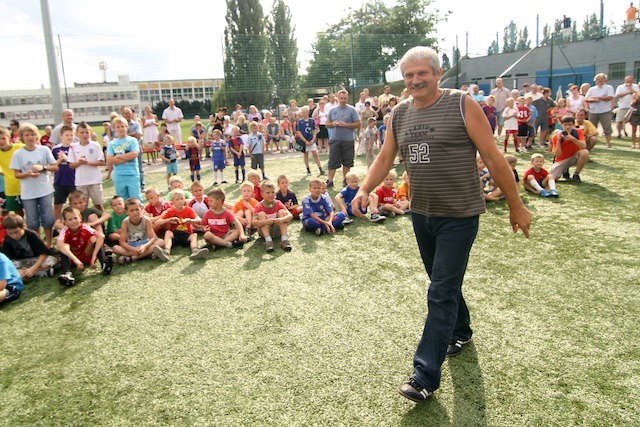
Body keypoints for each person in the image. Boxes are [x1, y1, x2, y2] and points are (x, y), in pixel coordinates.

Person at [352, 46, 530, 402]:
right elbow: (386, 156)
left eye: (423, 74)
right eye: (409, 76)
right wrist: (365, 188)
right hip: (422, 213)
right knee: (442, 284)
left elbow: (493, 157)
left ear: (437, 74)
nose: (416, 80)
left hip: (460, 216)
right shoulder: (399, 114)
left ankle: (424, 376)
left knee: (439, 292)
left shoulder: (462, 104)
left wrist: (516, 204)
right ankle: (461, 330)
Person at [10, 123, 58, 247]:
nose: (30, 137)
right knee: (32, 222)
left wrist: (43, 168)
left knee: (48, 219)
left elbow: (55, 167)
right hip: (28, 193)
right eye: (27, 135)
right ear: (22, 137)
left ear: (36, 136)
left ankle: (48, 244)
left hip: (45, 190)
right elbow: (16, 174)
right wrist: (28, 174)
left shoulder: (44, 150)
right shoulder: (18, 154)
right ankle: (37, 245)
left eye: (32, 134)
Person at [56, 206, 113, 286]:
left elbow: (101, 236)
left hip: (86, 255)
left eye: (75, 218)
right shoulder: (64, 231)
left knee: (94, 239)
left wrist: (93, 257)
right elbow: (59, 245)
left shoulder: (85, 227)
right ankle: (68, 274)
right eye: (70, 219)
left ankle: (104, 263)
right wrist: (76, 260)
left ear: (80, 218)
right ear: (65, 222)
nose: (73, 221)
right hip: (73, 259)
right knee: (63, 247)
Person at [153, 189, 209, 262]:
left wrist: (190, 220)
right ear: (172, 202)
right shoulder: (170, 211)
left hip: (186, 234)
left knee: (194, 235)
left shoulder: (189, 210)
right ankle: (166, 252)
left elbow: (199, 220)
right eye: (177, 199)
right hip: (174, 234)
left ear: (185, 200)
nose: (180, 201)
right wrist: (169, 220)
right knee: (168, 233)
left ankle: (195, 251)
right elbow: (157, 222)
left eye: (182, 198)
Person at [2, 212, 57, 280]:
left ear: (23, 227)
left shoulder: (31, 235)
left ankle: (30, 273)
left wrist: (33, 269)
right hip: (20, 263)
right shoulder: (7, 240)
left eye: (16, 232)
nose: (14, 236)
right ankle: (40, 272)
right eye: (10, 233)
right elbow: (6, 260)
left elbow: (44, 253)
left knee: (51, 260)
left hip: (35, 260)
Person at [112, 198, 163, 264]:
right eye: (132, 210)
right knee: (115, 248)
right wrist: (134, 249)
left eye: (137, 209)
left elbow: (152, 237)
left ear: (141, 209)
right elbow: (122, 242)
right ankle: (148, 254)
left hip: (145, 243)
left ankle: (133, 258)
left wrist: (144, 246)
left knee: (161, 242)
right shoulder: (125, 222)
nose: (135, 212)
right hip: (132, 245)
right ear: (127, 212)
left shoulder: (146, 220)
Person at [68, 122, 105, 212]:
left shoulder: (95, 145)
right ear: (77, 134)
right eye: (82, 132)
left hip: (94, 180)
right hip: (81, 181)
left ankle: (102, 223)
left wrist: (87, 162)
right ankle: (84, 223)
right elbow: (71, 165)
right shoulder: (73, 147)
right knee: (82, 206)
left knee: (98, 204)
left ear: (90, 133)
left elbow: (102, 162)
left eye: (86, 132)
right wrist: (79, 163)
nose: (85, 135)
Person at [326, 89, 360, 188]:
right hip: (335, 139)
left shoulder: (352, 110)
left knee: (347, 162)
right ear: (338, 97)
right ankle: (330, 181)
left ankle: (346, 181)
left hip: (348, 140)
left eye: (345, 98)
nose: (343, 100)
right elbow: (327, 124)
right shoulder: (332, 110)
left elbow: (358, 124)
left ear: (347, 98)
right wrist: (333, 124)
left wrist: (346, 124)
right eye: (341, 98)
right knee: (332, 161)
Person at [106, 116, 141, 201]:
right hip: (119, 175)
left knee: (135, 198)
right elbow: (110, 159)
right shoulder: (112, 144)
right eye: (118, 127)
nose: (121, 129)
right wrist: (127, 157)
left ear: (126, 127)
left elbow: (134, 154)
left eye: (122, 126)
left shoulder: (132, 141)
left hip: (132, 174)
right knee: (122, 199)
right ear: (114, 129)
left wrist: (119, 157)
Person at [252, 180, 293, 252]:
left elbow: (290, 215)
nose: (271, 195)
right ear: (262, 194)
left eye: (273, 192)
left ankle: (284, 240)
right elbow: (254, 222)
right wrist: (265, 222)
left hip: (277, 230)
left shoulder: (278, 203)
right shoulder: (259, 206)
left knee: (281, 211)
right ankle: (268, 241)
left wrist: (282, 219)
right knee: (261, 214)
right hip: (264, 232)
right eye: (268, 193)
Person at [548, 115, 588, 183]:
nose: (567, 127)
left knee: (584, 152)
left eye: (570, 125)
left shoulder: (578, 132)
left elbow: (584, 146)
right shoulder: (556, 136)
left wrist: (572, 138)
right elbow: (557, 155)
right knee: (551, 178)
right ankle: (565, 170)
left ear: (573, 125)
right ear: (562, 125)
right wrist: (558, 140)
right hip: (561, 160)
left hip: (574, 157)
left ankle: (576, 174)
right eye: (565, 125)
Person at [51, 125, 76, 222]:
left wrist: (67, 158)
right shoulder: (55, 149)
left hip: (73, 181)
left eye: (71, 135)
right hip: (60, 181)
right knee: (57, 205)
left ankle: (75, 223)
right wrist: (59, 160)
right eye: (67, 135)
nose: (69, 137)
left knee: (74, 205)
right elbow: (52, 166)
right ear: (61, 136)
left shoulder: (75, 148)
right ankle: (57, 225)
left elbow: (77, 163)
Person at [585, 73, 615, 148]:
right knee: (592, 128)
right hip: (593, 111)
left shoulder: (609, 87)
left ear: (605, 80)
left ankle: (608, 143)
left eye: (602, 79)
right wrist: (593, 100)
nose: (600, 81)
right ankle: (591, 143)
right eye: (598, 79)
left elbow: (610, 97)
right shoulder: (592, 89)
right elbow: (586, 99)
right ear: (595, 80)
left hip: (605, 111)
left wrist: (598, 98)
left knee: (607, 127)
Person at [0, 126, 24, 214]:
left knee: (31, 212)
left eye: (3, 138)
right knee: (17, 213)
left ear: (9, 138)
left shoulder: (20, 147)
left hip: (25, 185)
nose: (1, 141)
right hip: (11, 188)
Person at [296, 106, 324, 177]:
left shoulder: (311, 120)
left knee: (315, 154)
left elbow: (314, 130)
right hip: (304, 141)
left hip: (311, 140)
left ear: (308, 112)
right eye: (303, 112)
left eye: (306, 111)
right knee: (306, 155)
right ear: (301, 113)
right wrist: (305, 141)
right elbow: (299, 132)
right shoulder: (300, 121)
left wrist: (313, 139)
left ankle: (320, 169)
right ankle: (308, 169)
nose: (304, 113)